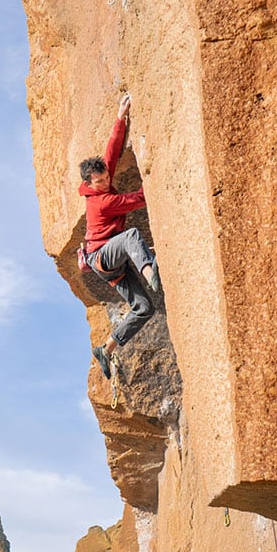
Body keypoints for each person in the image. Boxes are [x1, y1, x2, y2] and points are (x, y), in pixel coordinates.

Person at [79, 93, 161, 379]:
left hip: (112, 265)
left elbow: (112, 151)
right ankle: (150, 269)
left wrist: (120, 115)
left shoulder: (104, 178)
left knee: (144, 308)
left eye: (105, 178)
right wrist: (159, 177)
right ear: (88, 184)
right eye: (99, 182)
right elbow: (137, 199)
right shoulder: (101, 201)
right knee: (132, 236)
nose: (105, 183)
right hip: (103, 257)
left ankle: (108, 348)